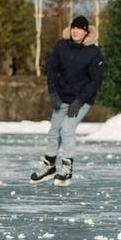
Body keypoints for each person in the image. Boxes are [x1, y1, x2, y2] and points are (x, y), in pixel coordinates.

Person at [30, 16, 104, 187]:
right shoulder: (61, 46)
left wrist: (80, 101)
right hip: (62, 96)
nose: (75, 31)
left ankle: (66, 169)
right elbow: (51, 69)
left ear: (86, 32)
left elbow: (95, 80)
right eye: (73, 28)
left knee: (67, 129)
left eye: (79, 28)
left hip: (82, 99)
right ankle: (49, 166)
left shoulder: (94, 52)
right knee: (54, 130)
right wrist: (53, 93)